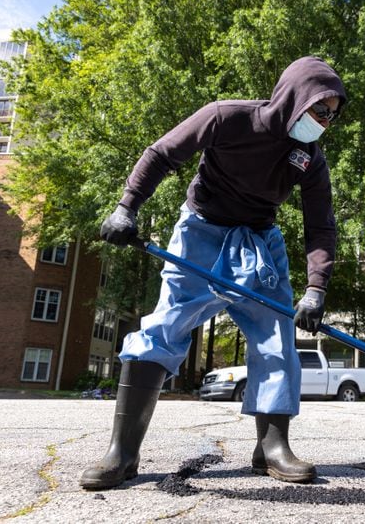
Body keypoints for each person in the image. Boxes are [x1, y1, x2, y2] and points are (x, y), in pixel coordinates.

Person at [80, 56, 347, 490]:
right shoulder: (227, 117)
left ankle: (272, 447)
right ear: (295, 98)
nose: (325, 122)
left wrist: (316, 290)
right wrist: (126, 208)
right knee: (163, 328)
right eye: (320, 110)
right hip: (200, 232)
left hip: (260, 243)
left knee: (276, 337)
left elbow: (321, 225)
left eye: (332, 116)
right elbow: (163, 153)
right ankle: (122, 452)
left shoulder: (309, 158)